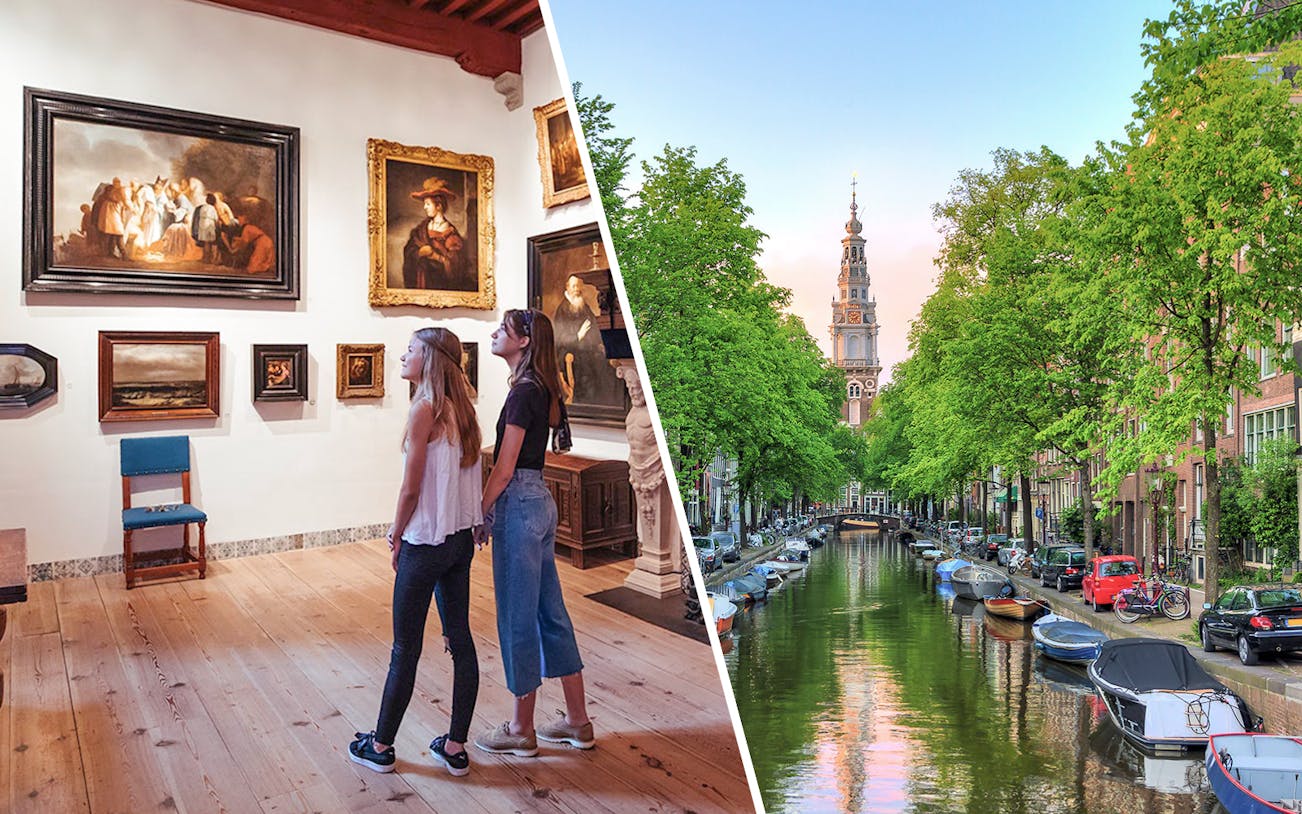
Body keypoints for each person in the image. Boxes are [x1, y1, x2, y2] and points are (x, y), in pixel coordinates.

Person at [348, 327, 484, 777]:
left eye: (409, 350)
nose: (402, 356)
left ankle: (381, 746)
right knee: (459, 641)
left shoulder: (424, 409)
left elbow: (411, 488)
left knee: (405, 647)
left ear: (429, 358)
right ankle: (455, 747)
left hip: (426, 543)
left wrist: (396, 532)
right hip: (458, 543)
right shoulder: (465, 411)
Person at [473, 309, 594, 757]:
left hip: (519, 506)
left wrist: (478, 514)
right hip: (540, 500)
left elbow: (504, 469)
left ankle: (521, 728)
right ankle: (577, 722)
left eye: (502, 329)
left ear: (523, 341)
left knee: (516, 617)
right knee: (552, 615)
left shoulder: (523, 393)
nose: (493, 333)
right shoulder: (543, 388)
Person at [402, 177, 471, 291]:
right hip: (421, 282)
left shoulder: (451, 233)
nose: (425, 207)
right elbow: (409, 251)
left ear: (438, 206)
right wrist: (419, 252)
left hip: (440, 285)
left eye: (428, 204)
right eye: (425, 204)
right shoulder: (420, 230)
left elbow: (457, 268)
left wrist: (435, 256)